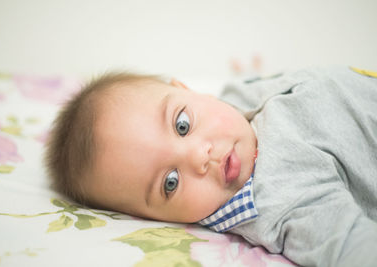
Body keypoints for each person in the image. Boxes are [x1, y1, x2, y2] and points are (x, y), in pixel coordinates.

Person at [45, 66, 377, 266]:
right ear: (159, 220)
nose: (198, 157)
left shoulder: (237, 95)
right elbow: (354, 248)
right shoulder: (281, 199)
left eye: (182, 124)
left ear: (186, 90)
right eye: (170, 183)